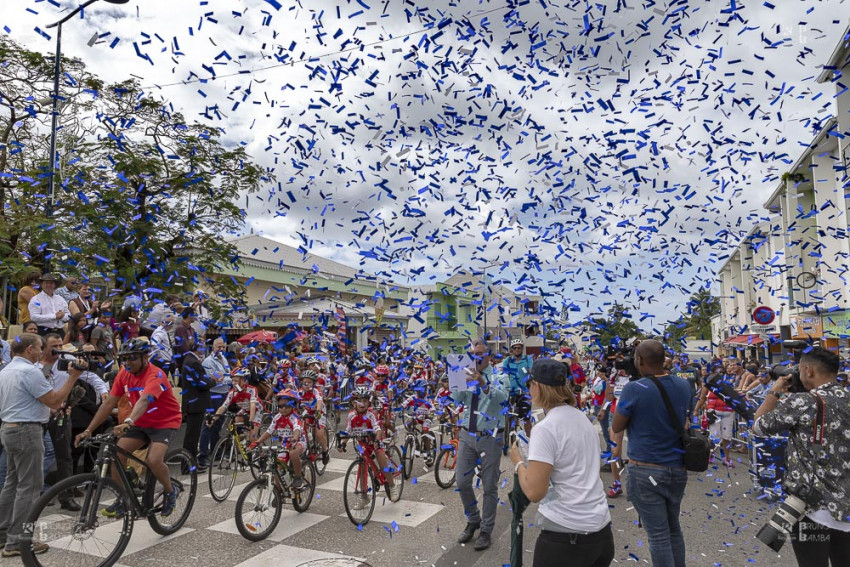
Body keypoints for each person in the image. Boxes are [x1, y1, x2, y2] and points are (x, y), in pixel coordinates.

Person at [509, 359, 613, 567]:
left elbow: (535, 492)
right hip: (601, 532)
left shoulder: (546, 428)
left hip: (566, 540)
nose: (528, 390)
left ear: (537, 386)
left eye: (529, 384)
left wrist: (518, 462)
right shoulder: (582, 418)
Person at [752, 347, 850, 566]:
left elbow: (758, 426)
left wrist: (775, 391)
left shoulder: (805, 402)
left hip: (812, 509)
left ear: (808, 371)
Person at [74, 338, 183, 518]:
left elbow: (144, 400)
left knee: (154, 460)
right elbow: (109, 403)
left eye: (132, 358)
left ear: (145, 357)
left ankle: (170, 491)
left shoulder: (156, 375)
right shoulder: (124, 373)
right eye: (124, 359)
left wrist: (129, 421)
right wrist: (89, 430)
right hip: (140, 422)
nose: (128, 362)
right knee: (117, 454)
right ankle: (123, 499)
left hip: (165, 421)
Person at [0, 334, 86, 557]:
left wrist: (49, 362)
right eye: (39, 348)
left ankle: (2, 533)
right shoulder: (29, 372)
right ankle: (19, 540)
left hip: (9, 428)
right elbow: (55, 400)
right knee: (30, 488)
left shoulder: (7, 370)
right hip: (27, 431)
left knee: (12, 483)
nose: (41, 352)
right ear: (30, 350)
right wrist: (73, 378)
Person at [611, 339, 691, 567]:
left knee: (658, 535)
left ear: (641, 360)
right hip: (677, 467)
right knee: (673, 529)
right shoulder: (683, 385)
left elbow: (617, 426)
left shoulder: (634, 388)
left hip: (645, 469)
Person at [453, 338, 508, 552]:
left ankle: (486, 530)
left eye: (479, 355)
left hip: (490, 437)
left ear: (489, 357)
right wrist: (457, 381)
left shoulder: (500, 375)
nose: (475, 359)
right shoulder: (465, 371)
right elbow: (457, 399)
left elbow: (502, 399)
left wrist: (483, 383)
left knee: (489, 486)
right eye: (472, 355)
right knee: (462, 481)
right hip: (467, 434)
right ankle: (473, 519)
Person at [248, 388, 307, 490]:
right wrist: (257, 442)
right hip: (285, 444)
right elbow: (268, 431)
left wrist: (294, 438)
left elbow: (297, 429)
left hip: (299, 441)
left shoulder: (295, 417)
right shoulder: (277, 417)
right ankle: (279, 492)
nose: (283, 409)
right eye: (280, 406)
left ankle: (298, 477)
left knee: (293, 453)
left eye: (287, 406)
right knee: (276, 468)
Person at [180, 344, 215, 471]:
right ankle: (188, 466)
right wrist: (214, 380)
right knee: (191, 438)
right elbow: (202, 383)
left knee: (192, 437)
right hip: (195, 404)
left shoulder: (190, 360)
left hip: (193, 404)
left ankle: (190, 464)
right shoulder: (193, 362)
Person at [197, 337, 231, 469]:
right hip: (213, 395)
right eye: (219, 347)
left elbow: (227, 376)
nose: (221, 349)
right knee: (208, 424)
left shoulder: (224, 359)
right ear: (213, 348)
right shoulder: (208, 361)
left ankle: (216, 453)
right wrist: (225, 378)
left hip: (224, 394)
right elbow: (215, 379)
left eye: (223, 347)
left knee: (218, 425)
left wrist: (225, 378)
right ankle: (203, 455)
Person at [502, 338, 534, 437]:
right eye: (515, 348)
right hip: (511, 391)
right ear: (512, 349)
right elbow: (504, 376)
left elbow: (531, 374)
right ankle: (512, 436)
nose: (517, 350)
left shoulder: (527, 359)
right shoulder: (508, 361)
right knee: (510, 415)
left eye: (519, 348)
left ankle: (530, 440)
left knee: (526, 418)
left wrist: (531, 390)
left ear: (522, 349)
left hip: (524, 392)